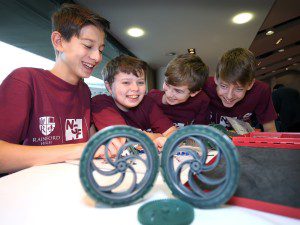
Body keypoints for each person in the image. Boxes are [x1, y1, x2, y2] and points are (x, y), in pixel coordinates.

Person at [0, 3, 110, 174]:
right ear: (58, 41)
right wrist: (81, 149)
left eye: (101, 50)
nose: (97, 57)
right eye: (88, 46)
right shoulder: (25, 80)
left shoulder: (84, 91)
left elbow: (90, 139)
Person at [91, 55, 177, 151]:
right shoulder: (101, 103)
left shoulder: (147, 102)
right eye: (126, 82)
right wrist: (159, 136)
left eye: (140, 82)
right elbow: (126, 138)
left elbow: (173, 134)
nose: (135, 88)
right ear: (109, 87)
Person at [203, 48, 277, 132]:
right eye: (224, 86)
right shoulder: (203, 86)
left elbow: (270, 128)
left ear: (250, 84)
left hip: (242, 140)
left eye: (239, 89)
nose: (229, 96)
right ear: (216, 78)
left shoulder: (261, 91)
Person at [148, 53, 210, 128]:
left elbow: (200, 132)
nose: (169, 94)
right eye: (167, 84)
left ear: (194, 92)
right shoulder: (151, 98)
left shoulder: (201, 101)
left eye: (178, 91)